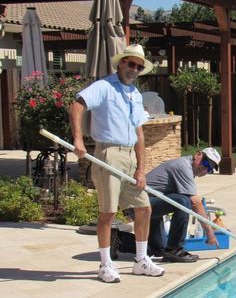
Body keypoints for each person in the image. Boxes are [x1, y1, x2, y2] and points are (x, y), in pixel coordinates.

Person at [69, 44, 163, 283]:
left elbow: (139, 134)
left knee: (144, 209)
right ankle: (105, 265)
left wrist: (141, 168)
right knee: (108, 213)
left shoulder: (135, 94)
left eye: (139, 67)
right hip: (108, 153)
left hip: (130, 156)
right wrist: (78, 139)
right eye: (131, 63)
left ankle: (141, 261)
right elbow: (77, 105)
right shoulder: (103, 87)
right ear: (121, 63)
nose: (134, 69)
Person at [111, 148, 221, 263]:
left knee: (158, 250)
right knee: (184, 201)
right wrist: (209, 232)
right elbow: (195, 202)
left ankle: (118, 239)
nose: (205, 168)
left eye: (210, 169)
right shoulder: (183, 166)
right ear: (198, 154)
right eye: (206, 162)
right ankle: (175, 250)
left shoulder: (188, 168)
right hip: (137, 204)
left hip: (150, 203)